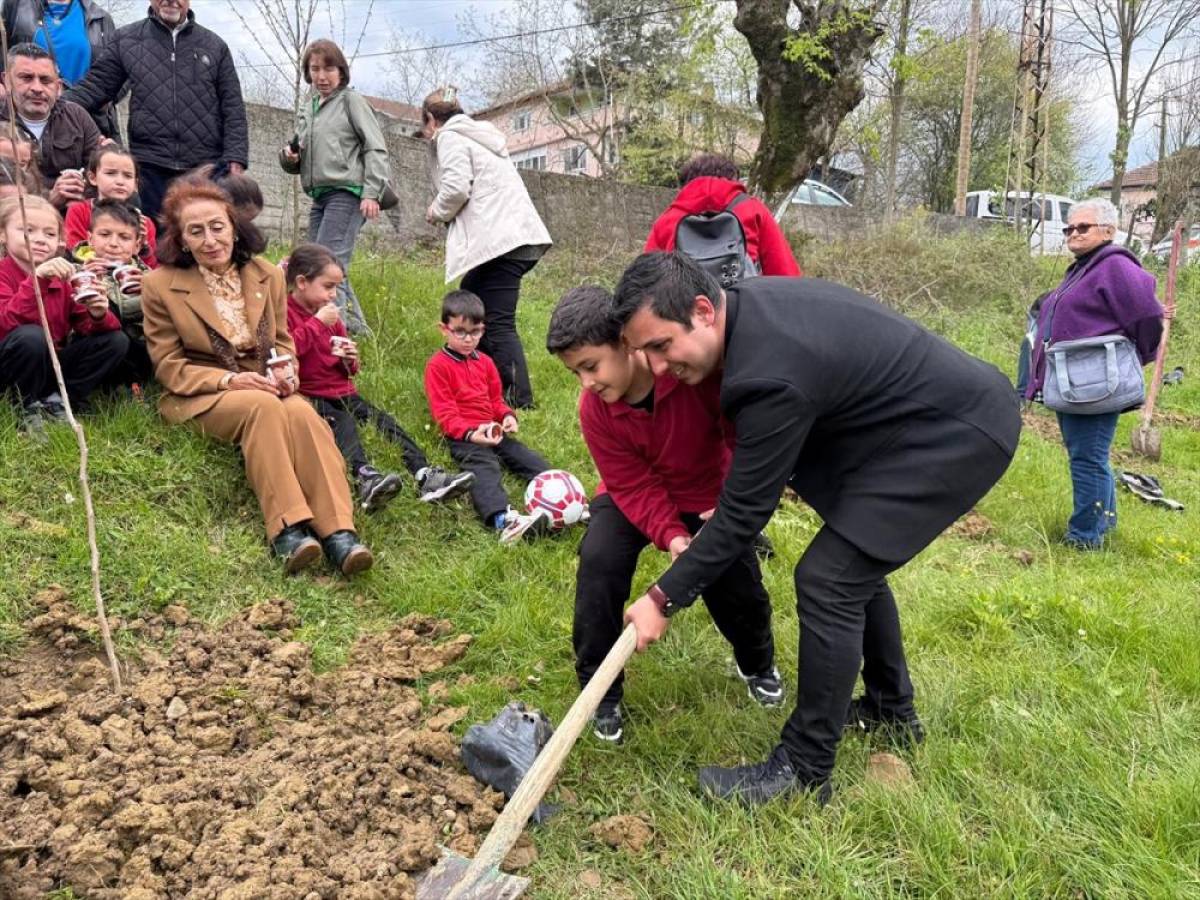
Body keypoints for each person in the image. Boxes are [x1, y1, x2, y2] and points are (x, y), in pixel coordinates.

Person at [613, 252, 1021, 805]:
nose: (658, 369)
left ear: (704, 311)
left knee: (830, 578)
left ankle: (804, 769)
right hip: (914, 420)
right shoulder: (750, 314)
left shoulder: (769, 370)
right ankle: (890, 709)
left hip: (956, 432)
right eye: (645, 354)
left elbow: (744, 517)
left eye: (662, 346)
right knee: (854, 560)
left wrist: (662, 598)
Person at [546, 284, 782, 744]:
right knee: (599, 562)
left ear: (627, 344)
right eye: (576, 373)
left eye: (591, 366)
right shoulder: (595, 409)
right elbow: (631, 484)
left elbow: (740, 439)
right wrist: (672, 537)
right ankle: (600, 691)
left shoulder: (690, 373)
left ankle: (757, 662)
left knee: (736, 585)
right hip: (631, 496)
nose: (587, 383)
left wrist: (729, 505)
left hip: (707, 495)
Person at [140, 178, 372, 576]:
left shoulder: (267, 274)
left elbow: (282, 341)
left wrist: (286, 371)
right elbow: (169, 366)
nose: (210, 239)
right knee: (263, 407)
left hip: (263, 383)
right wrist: (231, 382)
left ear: (233, 226)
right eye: (195, 231)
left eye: (217, 226)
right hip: (204, 390)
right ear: (181, 239)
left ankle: (338, 533)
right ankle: (289, 529)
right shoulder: (159, 285)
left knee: (301, 413)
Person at [285, 242, 475, 512]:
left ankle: (425, 475)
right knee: (344, 425)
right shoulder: (286, 313)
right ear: (302, 282)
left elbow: (348, 368)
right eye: (328, 287)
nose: (333, 295)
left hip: (343, 389)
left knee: (386, 423)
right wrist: (316, 324)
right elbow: (288, 349)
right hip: (311, 393)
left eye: (336, 288)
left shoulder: (332, 318)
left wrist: (350, 360)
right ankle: (365, 477)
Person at [1024, 198, 1163, 550]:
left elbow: (1146, 313)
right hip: (1076, 381)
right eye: (1069, 228)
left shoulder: (1114, 265)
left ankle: (1085, 537)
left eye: (1082, 227)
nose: (1073, 233)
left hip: (1096, 382)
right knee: (1089, 455)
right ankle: (1105, 523)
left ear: (1108, 231)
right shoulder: (1085, 266)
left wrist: (1137, 355)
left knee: (1088, 458)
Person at [421, 86, 551, 409]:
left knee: (498, 321)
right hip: (514, 237)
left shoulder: (449, 137)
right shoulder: (480, 136)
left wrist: (435, 211)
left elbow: (455, 188)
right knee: (472, 299)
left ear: (430, 121)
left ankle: (520, 402)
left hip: (503, 242)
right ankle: (483, 380)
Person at [63, 0, 249, 222]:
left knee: (199, 240)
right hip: (149, 168)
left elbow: (233, 108)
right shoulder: (127, 39)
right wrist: (53, 106)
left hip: (205, 168)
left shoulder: (215, 46)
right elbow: (94, 89)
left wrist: (235, 160)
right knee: (152, 244)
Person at [424, 289, 553, 542]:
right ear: (444, 328)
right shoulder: (437, 366)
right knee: (484, 468)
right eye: (460, 331)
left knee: (526, 458)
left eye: (476, 332)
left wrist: (507, 415)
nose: (469, 339)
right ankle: (502, 519)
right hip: (465, 436)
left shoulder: (485, 362)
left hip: (494, 430)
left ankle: (561, 497)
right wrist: (472, 434)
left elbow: (496, 400)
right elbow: (444, 414)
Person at [279, 39, 386, 336]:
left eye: (328, 68)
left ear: (341, 70)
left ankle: (333, 333)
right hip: (320, 195)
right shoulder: (309, 108)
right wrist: (290, 156)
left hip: (348, 192)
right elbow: (296, 158)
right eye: (314, 69)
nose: (321, 76)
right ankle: (357, 330)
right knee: (320, 264)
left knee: (325, 265)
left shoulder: (351, 101)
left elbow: (375, 147)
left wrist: (371, 192)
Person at [0, 194, 127, 432]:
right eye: (27, 230)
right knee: (31, 336)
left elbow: (93, 327)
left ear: (60, 241)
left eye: (49, 234)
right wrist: (37, 281)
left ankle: (57, 399)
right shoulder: (3, 274)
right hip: (10, 368)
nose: (39, 239)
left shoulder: (64, 278)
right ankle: (25, 405)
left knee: (115, 341)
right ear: (3, 234)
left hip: (51, 365)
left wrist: (98, 313)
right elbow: (6, 324)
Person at [644, 153, 801, 277]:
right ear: (733, 180)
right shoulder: (753, 209)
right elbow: (786, 275)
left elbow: (645, 280)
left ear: (686, 185)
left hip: (685, 312)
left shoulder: (668, 219)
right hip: (742, 310)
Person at [0, 42, 101, 208]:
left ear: (58, 87)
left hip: (71, 220)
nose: (37, 88)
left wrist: (79, 190)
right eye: (26, 78)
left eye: (46, 80)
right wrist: (49, 199)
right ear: (6, 81)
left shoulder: (77, 117)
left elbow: (101, 174)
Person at [0, 0, 122, 137]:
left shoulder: (100, 18)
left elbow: (120, 72)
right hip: (26, 123)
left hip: (87, 123)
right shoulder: (16, 6)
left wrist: (100, 99)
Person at [70, 198, 151, 384]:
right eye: (105, 234)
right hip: (96, 342)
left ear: (137, 245)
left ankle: (133, 386)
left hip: (137, 346)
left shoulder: (147, 275)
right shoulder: (73, 272)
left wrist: (152, 291)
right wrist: (87, 280)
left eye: (124, 237)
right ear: (90, 238)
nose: (114, 244)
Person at [64, 143, 158, 267]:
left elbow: (150, 268)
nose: (120, 181)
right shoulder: (79, 211)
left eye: (127, 176)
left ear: (135, 184)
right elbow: (75, 251)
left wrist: (144, 246)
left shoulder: (145, 223)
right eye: (111, 173)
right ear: (93, 177)